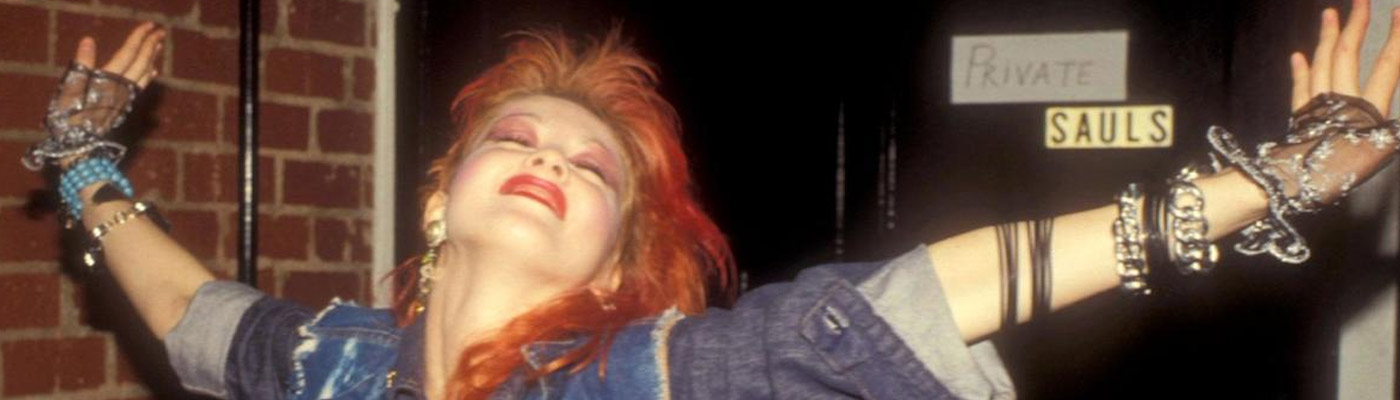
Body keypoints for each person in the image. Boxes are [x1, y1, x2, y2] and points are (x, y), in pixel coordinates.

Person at [21, 0, 1400, 398]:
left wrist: (1263, 182)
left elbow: (919, 295)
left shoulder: (656, 374)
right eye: (521, 136)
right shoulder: (330, 361)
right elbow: (190, 314)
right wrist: (86, 167)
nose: (556, 158)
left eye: (593, 167)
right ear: (441, 199)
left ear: (613, 252)